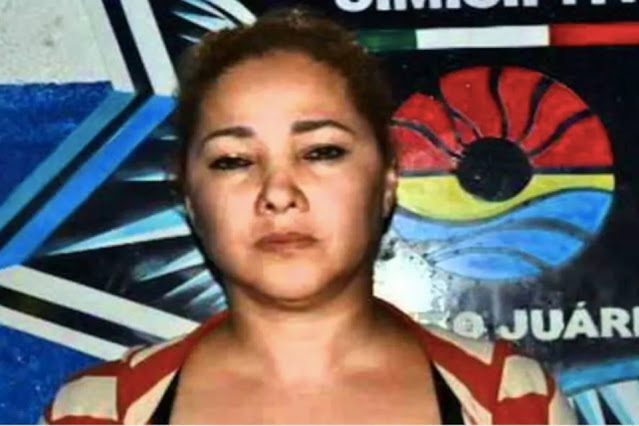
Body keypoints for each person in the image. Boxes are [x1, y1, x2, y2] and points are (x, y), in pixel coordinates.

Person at [41, 9, 576, 425]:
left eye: (322, 151)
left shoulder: (512, 402)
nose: (279, 193)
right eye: (233, 160)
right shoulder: (99, 411)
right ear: (188, 196)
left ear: (387, 177)